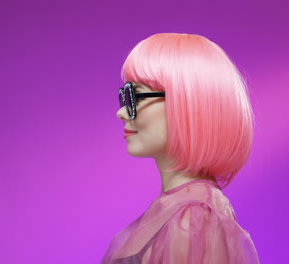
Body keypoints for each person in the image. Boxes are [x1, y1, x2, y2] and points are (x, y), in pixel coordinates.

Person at [101, 33, 260, 264]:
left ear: (186, 103)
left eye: (136, 97)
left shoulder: (192, 219)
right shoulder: (182, 210)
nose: (122, 112)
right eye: (125, 97)